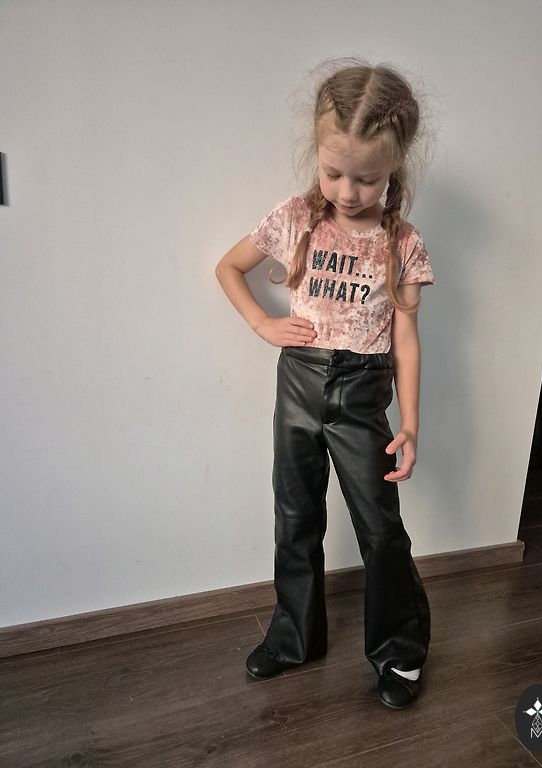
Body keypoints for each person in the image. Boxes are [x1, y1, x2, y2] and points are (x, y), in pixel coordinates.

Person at [215, 60, 435, 709]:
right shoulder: (294, 218)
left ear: (394, 166)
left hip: (363, 391)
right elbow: (229, 267)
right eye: (334, 172)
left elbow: (405, 338)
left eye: (367, 178)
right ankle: (295, 637)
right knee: (295, 514)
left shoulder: (402, 243)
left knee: (379, 527)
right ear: (317, 153)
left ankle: (399, 652)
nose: (348, 190)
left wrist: (411, 423)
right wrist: (262, 322)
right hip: (299, 383)